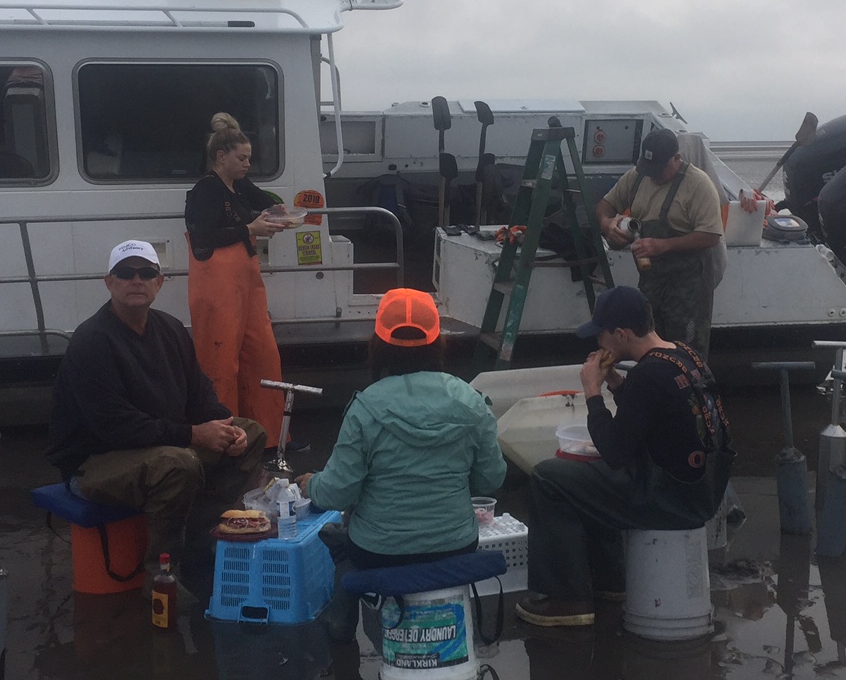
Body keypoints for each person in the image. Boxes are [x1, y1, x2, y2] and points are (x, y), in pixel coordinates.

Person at [47, 240, 268, 586]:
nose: (136, 280)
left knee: (252, 432)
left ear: (159, 282)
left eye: (146, 272)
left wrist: (226, 425)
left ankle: (203, 537)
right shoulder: (92, 341)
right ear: (109, 282)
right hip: (94, 461)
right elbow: (115, 427)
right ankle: (162, 576)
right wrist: (194, 435)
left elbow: (200, 394)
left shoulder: (171, 329)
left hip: (159, 445)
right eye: (125, 272)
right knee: (178, 464)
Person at [516, 285, 735, 628]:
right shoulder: (683, 355)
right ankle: (612, 579)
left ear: (620, 334)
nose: (599, 344)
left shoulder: (649, 374)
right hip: (703, 489)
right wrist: (616, 382)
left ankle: (567, 599)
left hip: (670, 500)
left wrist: (592, 393)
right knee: (591, 473)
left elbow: (615, 451)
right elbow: (648, 417)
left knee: (549, 476)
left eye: (602, 336)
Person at [298, 289, 505, 570]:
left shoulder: (365, 407)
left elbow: (337, 493)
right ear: (437, 342)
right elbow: (490, 479)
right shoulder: (471, 400)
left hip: (378, 551)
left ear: (379, 343)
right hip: (456, 545)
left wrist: (311, 484)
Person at [184, 112, 294, 448]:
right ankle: (226, 439)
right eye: (241, 158)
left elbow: (269, 203)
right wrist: (249, 229)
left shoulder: (241, 186)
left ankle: (271, 436)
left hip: (246, 287)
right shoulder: (204, 192)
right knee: (220, 363)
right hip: (215, 289)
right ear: (221, 157)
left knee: (262, 356)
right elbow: (202, 236)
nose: (248, 164)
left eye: (249, 158)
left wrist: (282, 216)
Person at [596, 129, 723, 357]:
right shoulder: (637, 176)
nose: (652, 176)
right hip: (651, 284)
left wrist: (663, 245)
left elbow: (711, 236)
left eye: (658, 170)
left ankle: (691, 391)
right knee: (650, 347)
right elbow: (605, 205)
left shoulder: (699, 185)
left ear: (677, 158)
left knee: (688, 350)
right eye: (648, 169)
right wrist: (607, 225)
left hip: (688, 289)